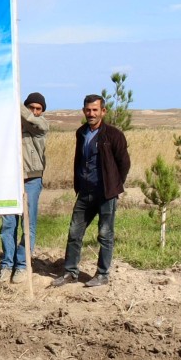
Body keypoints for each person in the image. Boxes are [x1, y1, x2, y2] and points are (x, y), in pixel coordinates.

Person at [52, 94, 130, 289]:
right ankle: (70, 273)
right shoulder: (81, 133)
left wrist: (115, 185)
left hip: (105, 194)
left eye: (95, 110)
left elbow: (124, 163)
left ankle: (102, 274)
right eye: (88, 110)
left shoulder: (114, 135)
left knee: (105, 234)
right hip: (85, 193)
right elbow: (79, 160)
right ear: (83, 111)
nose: (91, 113)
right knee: (74, 233)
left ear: (103, 111)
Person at [0, 92, 49, 284]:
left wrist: (12, 94)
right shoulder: (11, 126)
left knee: (28, 225)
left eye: (38, 109)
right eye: (31, 107)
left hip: (32, 180)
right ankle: (6, 264)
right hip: (11, 180)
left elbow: (28, 119)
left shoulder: (41, 125)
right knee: (8, 224)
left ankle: (22, 265)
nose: (34, 111)